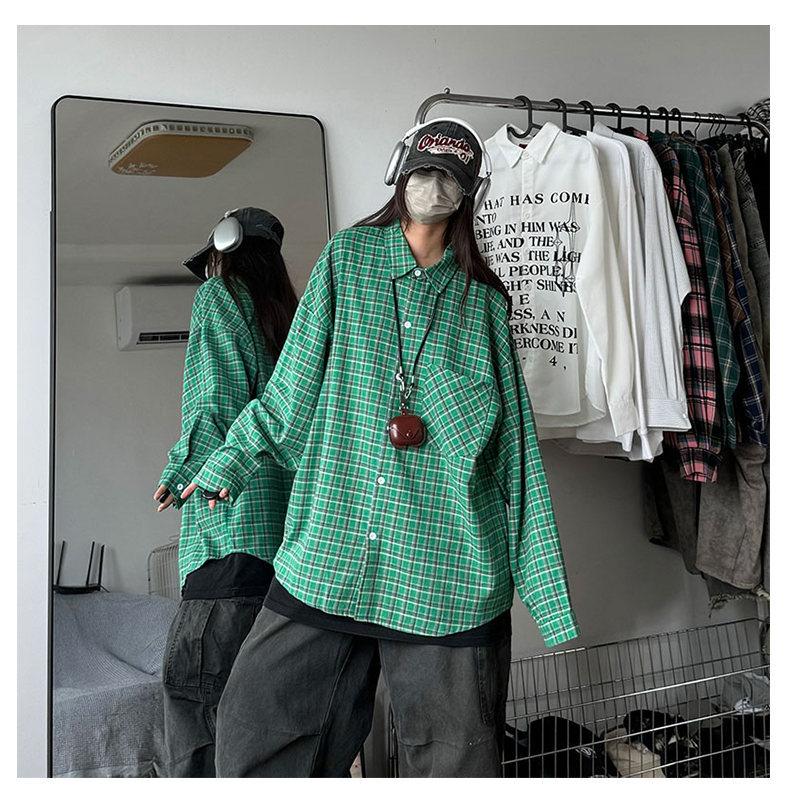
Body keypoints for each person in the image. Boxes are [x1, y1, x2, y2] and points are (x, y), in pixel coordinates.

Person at [181, 119, 579, 777]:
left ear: (469, 192)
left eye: (450, 175)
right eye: (424, 169)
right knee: (257, 735)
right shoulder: (347, 261)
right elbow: (288, 390)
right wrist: (229, 459)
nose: (433, 185)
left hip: (445, 575)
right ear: (399, 175)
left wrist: (547, 594)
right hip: (331, 552)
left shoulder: (483, 305)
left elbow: (516, 461)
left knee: (454, 767)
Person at [153, 207, 298, 777]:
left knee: (194, 712)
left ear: (224, 249)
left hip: (226, 540)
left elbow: (213, 400)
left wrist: (183, 466)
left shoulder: (219, 296)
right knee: (263, 735)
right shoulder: (292, 322)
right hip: (285, 563)